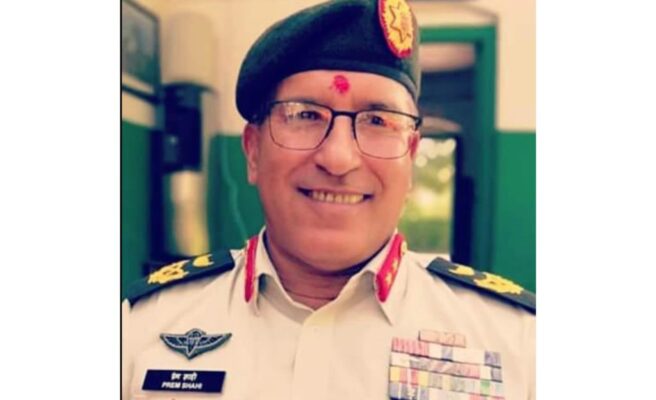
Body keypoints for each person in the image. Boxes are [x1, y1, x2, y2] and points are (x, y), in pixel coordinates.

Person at [122, 0, 536, 399]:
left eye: (378, 121)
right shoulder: (141, 327)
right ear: (252, 151)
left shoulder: (519, 344)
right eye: (305, 114)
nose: (338, 158)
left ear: (410, 157)